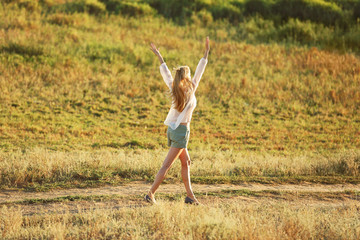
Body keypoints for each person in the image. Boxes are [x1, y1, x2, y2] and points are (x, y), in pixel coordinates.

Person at [145, 36, 210, 205]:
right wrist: (206, 53)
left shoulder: (175, 88)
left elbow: (165, 73)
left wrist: (159, 56)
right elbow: (200, 71)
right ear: (186, 77)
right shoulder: (191, 89)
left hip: (174, 130)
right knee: (166, 165)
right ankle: (150, 193)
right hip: (181, 132)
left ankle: (190, 197)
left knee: (186, 162)